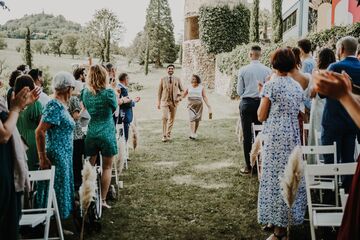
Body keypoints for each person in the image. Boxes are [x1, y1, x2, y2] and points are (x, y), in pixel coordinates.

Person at [257, 48, 307, 240]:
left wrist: (263, 95)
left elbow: (261, 115)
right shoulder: (296, 86)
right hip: (293, 135)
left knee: (273, 177)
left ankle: (278, 231)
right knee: (289, 176)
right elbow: (300, 110)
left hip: (276, 135)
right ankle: (284, 222)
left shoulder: (271, 85)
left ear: (274, 64)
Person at [313, 70, 360, 240]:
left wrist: (344, 95)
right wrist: (350, 89)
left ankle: (332, 196)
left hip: (334, 125)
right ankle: (342, 193)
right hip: (349, 127)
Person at [81, 64, 129, 208]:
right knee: (107, 168)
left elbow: (86, 107)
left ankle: (88, 198)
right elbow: (115, 108)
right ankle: (102, 200)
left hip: (92, 131)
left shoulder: (85, 92)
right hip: (107, 131)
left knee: (90, 167)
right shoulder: (108, 92)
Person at [0, 78, 40, 239]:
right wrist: (15, 108)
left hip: (8, 169)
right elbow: (3, 135)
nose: (1, 82)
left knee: (11, 226)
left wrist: (20, 106)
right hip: (2, 172)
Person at [35, 72, 76, 220]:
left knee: (61, 188)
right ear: (68, 88)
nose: (73, 91)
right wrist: (43, 157)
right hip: (56, 155)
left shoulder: (61, 105)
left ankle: (58, 222)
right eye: (72, 88)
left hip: (64, 155)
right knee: (56, 189)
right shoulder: (54, 105)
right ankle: (52, 223)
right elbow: (40, 132)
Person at [320, 37, 360, 174]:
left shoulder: (335, 67)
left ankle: (330, 194)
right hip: (353, 121)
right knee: (348, 160)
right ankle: (347, 192)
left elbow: (322, 93)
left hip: (333, 121)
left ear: (341, 48)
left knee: (330, 163)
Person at [236, 45, 271, 174]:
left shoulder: (243, 70)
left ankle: (248, 166)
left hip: (246, 103)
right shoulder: (267, 70)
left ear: (250, 55)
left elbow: (239, 91)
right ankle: (259, 164)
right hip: (261, 103)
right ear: (260, 55)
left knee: (247, 134)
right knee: (260, 133)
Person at [307, 48, 336, 162]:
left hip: (318, 107)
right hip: (331, 107)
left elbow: (312, 93)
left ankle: (318, 161)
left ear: (320, 59)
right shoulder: (335, 73)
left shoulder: (317, 73)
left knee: (317, 132)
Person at [15, 75, 43, 171]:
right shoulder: (36, 104)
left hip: (18, 141)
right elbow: (41, 128)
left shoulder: (14, 103)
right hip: (32, 142)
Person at [157, 64, 184, 142]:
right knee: (165, 117)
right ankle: (164, 135)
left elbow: (182, 90)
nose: (170, 70)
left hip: (174, 102)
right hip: (165, 101)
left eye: (172, 69)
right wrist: (158, 102)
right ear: (167, 70)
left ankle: (168, 134)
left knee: (172, 119)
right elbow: (159, 92)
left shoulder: (177, 79)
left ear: (174, 70)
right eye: (169, 69)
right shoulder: (163, 79)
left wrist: (180, 97)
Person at [182, 74, 212, 140]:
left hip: (199, 105)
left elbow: (204, 96)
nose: (192, 80)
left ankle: (194, 132)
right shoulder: (188, 87)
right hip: (190, 105)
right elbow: (183, 95)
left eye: (194, 79)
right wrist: (178, 98)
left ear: (197, 80)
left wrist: (208, 105)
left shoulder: (201, 87)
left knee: (197, 119)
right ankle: (192, 133)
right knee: (192, 118)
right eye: (192, 79)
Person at [117, 73, 140, 141]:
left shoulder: (120, 87)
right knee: (124, 134)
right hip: (124, 114)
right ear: (125, 79)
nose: (129, 80)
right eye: (128, 78)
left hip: (122, 114)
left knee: (123, 132)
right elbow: (125, 103)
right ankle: (124, 147)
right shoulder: (122, 89)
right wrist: (134, 101)